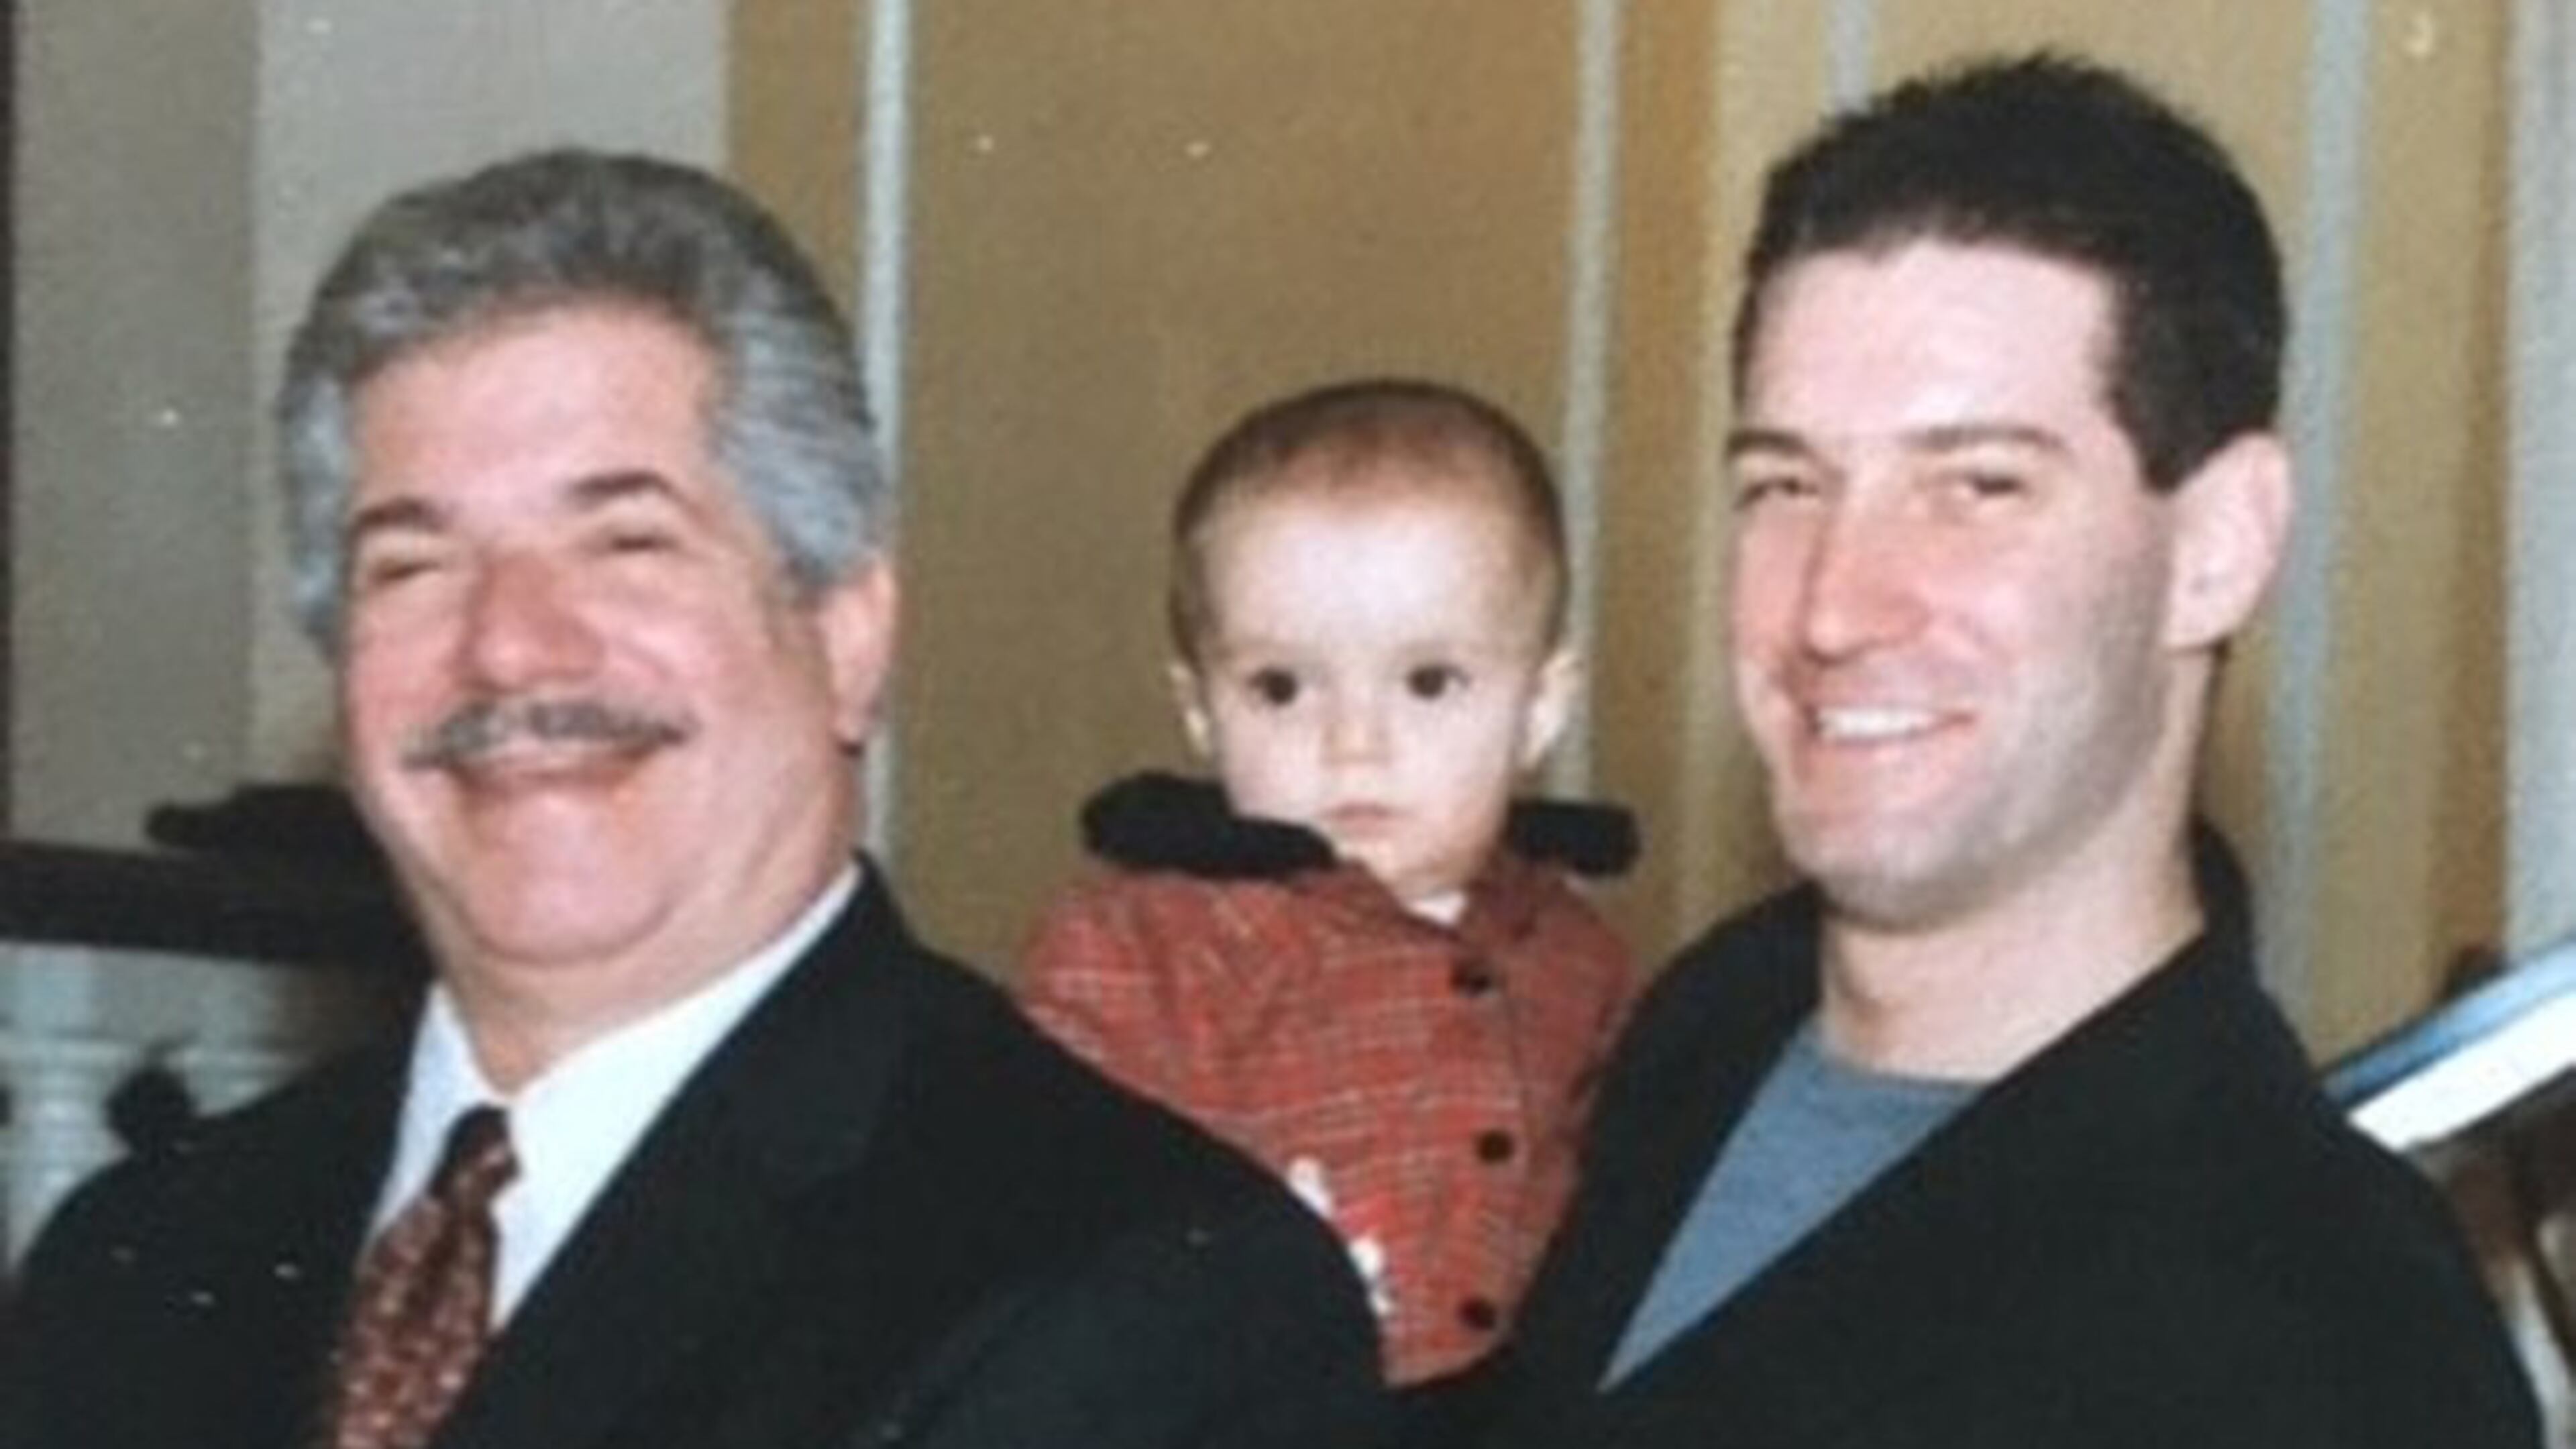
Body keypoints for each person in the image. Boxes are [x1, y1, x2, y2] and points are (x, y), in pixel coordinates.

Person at [0, 149, 1385, 1449]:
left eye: (624, 543)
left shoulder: (1144, 1291)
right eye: (413, 567)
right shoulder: (136, 1258)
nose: (510, 645)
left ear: (847, 634)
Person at [1476, 54, 2539, 1448]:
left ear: (2218, 550)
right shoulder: (1709, 1018)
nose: (1833, 605)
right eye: (1786, 484)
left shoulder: (2329, 1343)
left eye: (1977, 486)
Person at [1018, 380, 1635, 1411]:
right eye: (1281, 688)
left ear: (1541, 708)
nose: (1356, 744)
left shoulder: (1581, 956)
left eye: (1430, 682)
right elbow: (1040, 1215)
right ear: (1202, 713)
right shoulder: (1141, 947)